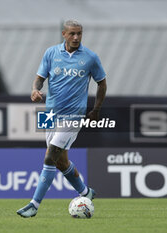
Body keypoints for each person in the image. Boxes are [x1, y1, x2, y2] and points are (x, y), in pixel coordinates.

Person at [17, 19, 107, 218]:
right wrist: (35, 89)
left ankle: (34, 205)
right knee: (60, 161)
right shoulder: (51, 53)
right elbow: (40, 77)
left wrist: (96, 109)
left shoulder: (90, 57)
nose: (76, 37)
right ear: (64, 34)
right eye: (72, 34)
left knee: (50, 156)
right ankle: (86, 192)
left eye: (79, 34)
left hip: (72, 115)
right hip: (49, 113)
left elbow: (102, 83)